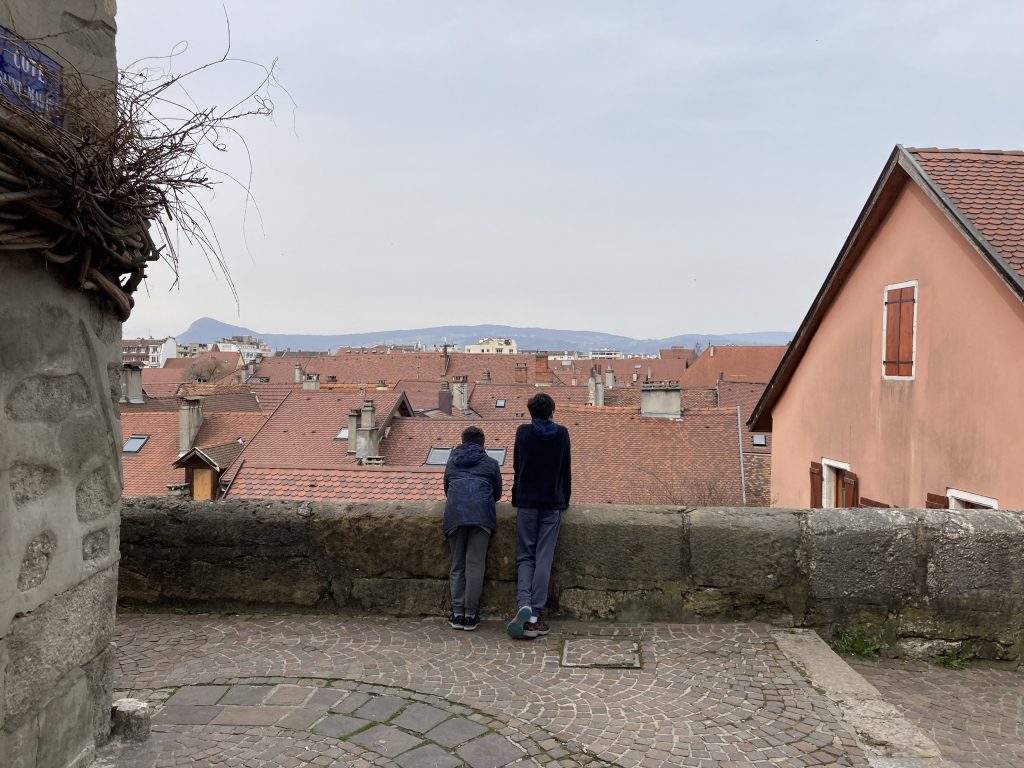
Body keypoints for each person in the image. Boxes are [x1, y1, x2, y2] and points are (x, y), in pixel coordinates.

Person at [506, 392, 571, 639]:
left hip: (527, 502)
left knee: (525, 555)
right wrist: (565, 500)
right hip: (552, 502)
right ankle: (534, 616)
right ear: (552, 411)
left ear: (530, 412)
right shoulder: (562, 433)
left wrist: (516, 495)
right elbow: (566, 469)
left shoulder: (523, 433)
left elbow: (517, 465)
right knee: (544, 557)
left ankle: (524, 601)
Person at [443, 425, 502, 631]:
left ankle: (457, 612)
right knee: (475, 565)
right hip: (481, 517)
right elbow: (497, 494)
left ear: (462, 440)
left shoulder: (451, 463)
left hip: (455, 516)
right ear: (482, 443)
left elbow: (447, 490)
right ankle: (470, 614)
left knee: (457, 565)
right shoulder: (491, 464)